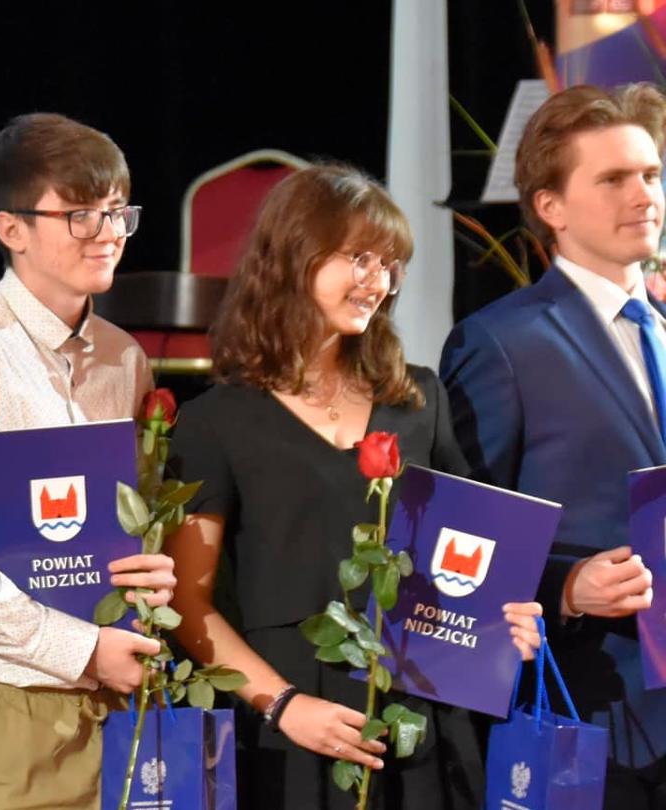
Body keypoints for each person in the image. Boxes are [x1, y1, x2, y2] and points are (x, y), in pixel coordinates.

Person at [167, 164, 543, 809]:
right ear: (293, 257)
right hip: (290, 726)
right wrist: (282, 704)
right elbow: (188, 601)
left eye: (390, 264)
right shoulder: (215, 421)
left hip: (417, 718)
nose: (379, 280)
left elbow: (473, 559)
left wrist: (504, 623)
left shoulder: (420, 398)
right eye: (360, 258)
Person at [0, 112, 178, 809]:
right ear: (11, 229)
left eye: (118, 212)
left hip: (122, 693)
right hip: (8, 704)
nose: (108, 232)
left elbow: (133, 521)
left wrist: (153, 567)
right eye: (81, 215)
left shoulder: (125, 357)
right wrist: (81, 649)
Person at [440, 82, 666, 809]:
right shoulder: (501, 343)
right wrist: (566, 590)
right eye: (614, 179)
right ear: (551, 207)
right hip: (594, 712)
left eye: (651, 174)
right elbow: (459, 551)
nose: (644, 196)